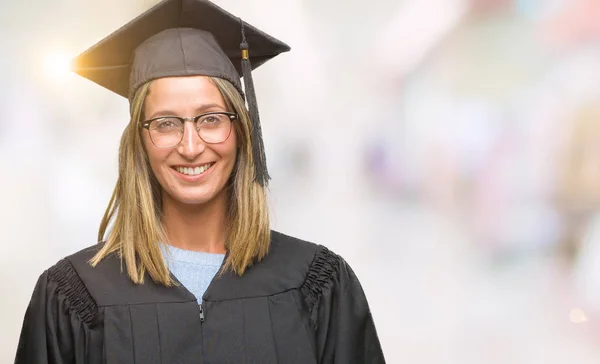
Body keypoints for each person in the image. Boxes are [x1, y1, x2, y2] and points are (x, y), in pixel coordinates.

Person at [14, 0, 385, 363]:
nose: (191, 147)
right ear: (139, 143)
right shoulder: (73, 298)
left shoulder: (317, 287)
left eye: (210, 119)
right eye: (166, 123)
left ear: (242, 129)